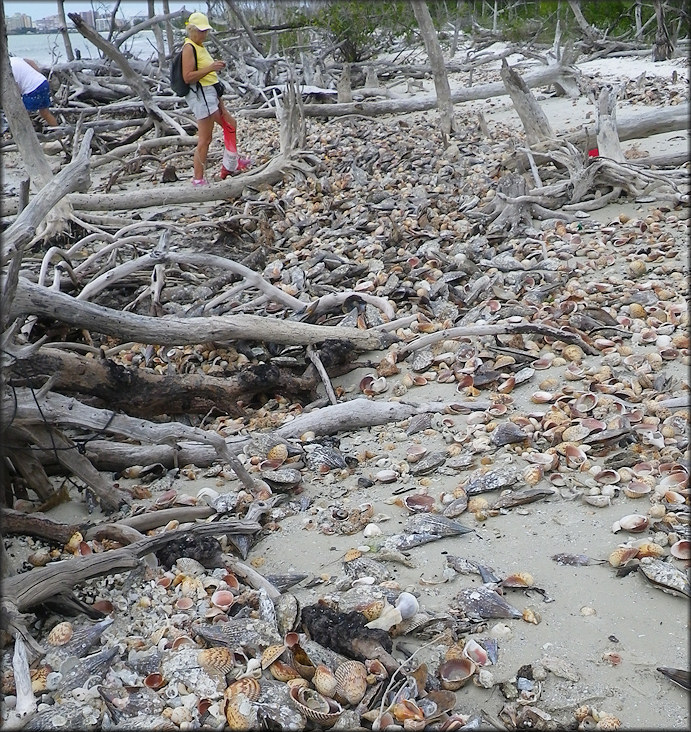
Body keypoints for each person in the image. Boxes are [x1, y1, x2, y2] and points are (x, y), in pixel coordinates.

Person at [181, 11, 250, 186]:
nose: (204, 34)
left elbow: (207, 75)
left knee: (230, 124)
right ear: (192, 30)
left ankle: (230, 164)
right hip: (201, 95)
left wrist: (219, 99)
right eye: (201, 31)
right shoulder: (188, 47)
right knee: (205, 139)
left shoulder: (199, 46)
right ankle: (198, 179)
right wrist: (211, 67)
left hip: (211, 93)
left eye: (206, 31)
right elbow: (188, 77)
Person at [9, 56, 59, 128]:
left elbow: (15, 87)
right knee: (45, 113)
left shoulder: (6, 71)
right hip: (43, 82)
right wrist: (38, 75)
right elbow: (31, 62)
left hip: (32, 90)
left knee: (21, 116)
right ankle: (59, 132)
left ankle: (27, 136)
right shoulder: (14, 59)